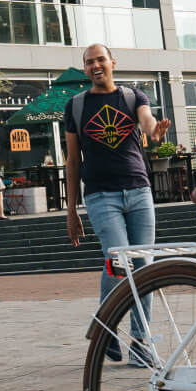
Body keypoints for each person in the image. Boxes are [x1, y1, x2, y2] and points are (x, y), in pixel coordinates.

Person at [64, 42, 169, 363]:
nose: (95, 66)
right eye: (89, 62)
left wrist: (155, 132)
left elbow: (147, 121)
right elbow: (72, 161)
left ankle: (140, 341)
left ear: (112, 62)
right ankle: (106, 326)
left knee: (144, 266)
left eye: (100, 60)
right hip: (99, 195)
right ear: (85, 69)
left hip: (138, 190)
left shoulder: (133, 96)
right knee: (119, 261)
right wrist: (70, 210)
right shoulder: (76, 106)